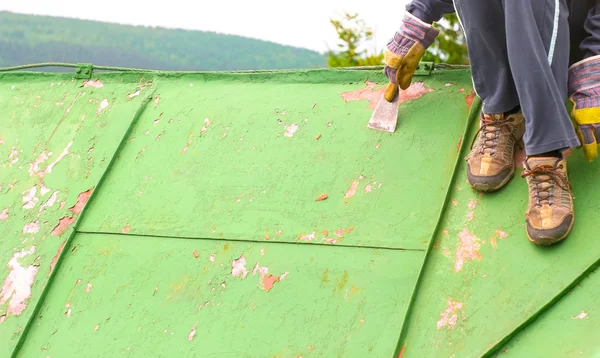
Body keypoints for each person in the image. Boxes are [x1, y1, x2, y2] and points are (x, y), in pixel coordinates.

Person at [384, 0, 600, 246]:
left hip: (574, 36)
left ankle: (547, 150)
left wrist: (595, 70)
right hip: (520, 39)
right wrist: (419, 19)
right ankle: (503, 109)